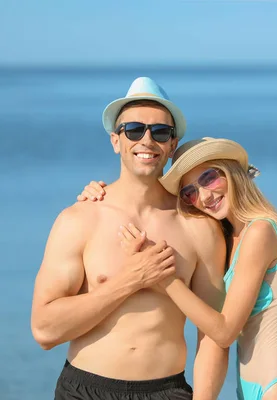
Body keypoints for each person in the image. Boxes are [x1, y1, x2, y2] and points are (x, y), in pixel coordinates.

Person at [78, 137, 277, 400]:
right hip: (254, 389)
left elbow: (224, 331)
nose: (205, 196)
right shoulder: (230, 238)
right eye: (190, 192)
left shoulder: (261, 231)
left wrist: (163, 278)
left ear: (231, 172)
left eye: (209, 178)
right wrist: (100, 195)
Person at [31, 77, 229, 400]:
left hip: (167, 391)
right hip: (84, 390)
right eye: (134, 130)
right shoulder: (79, 220)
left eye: (160, 132)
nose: (147, 140)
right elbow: (44, 330)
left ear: (172, 145)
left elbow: (213, 333)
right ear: (115, 140)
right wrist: (132, 279)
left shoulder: (199, 228)